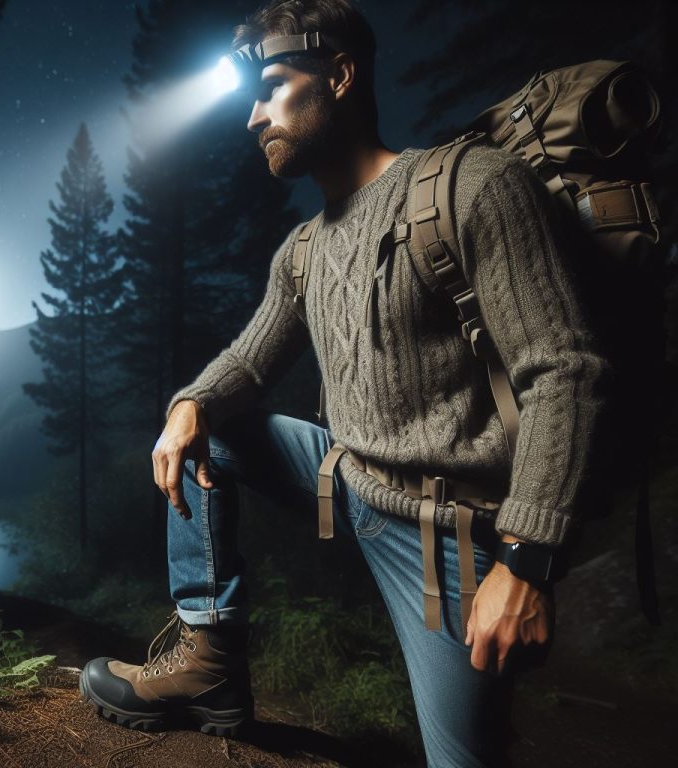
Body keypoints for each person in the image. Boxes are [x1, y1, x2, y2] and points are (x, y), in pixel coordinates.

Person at [80, 1, 608, 765]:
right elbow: (250, 361)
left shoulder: (473, 188)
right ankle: (209, 662)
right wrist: (190, 404)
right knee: (214, 431)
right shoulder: (303, 250)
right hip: (347, 474)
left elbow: (566, 371)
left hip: (448, 532)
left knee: (463, 757)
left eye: (272, 88)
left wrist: (527, 561)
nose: (254, 118)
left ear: (339, 73)